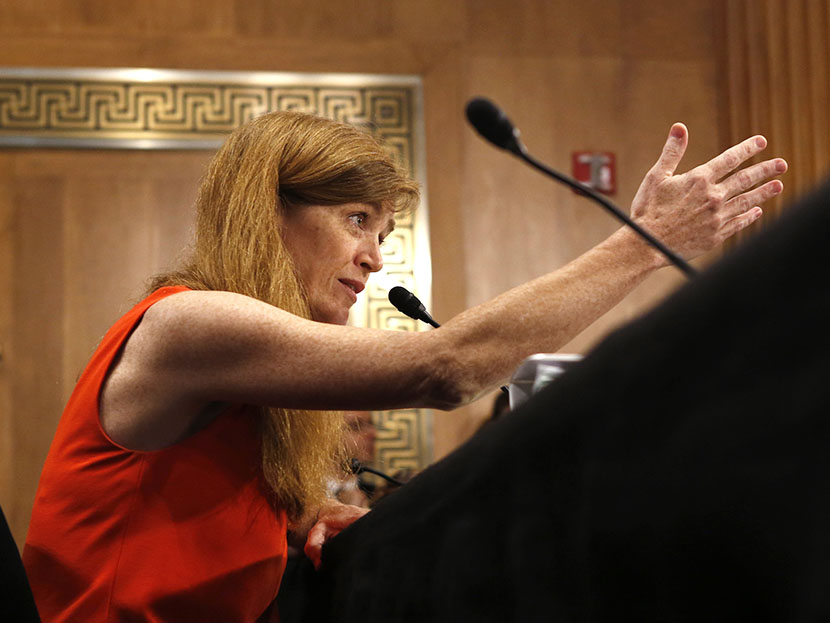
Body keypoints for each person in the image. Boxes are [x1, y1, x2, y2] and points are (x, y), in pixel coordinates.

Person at [22, 110, 786, 623]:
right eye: (357, 220)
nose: (374, 256)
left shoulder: (243, 377)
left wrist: (293, 524)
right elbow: (445, 369)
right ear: (269, 210)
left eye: (382, 230)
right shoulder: (186, 324)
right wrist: (644, 242)